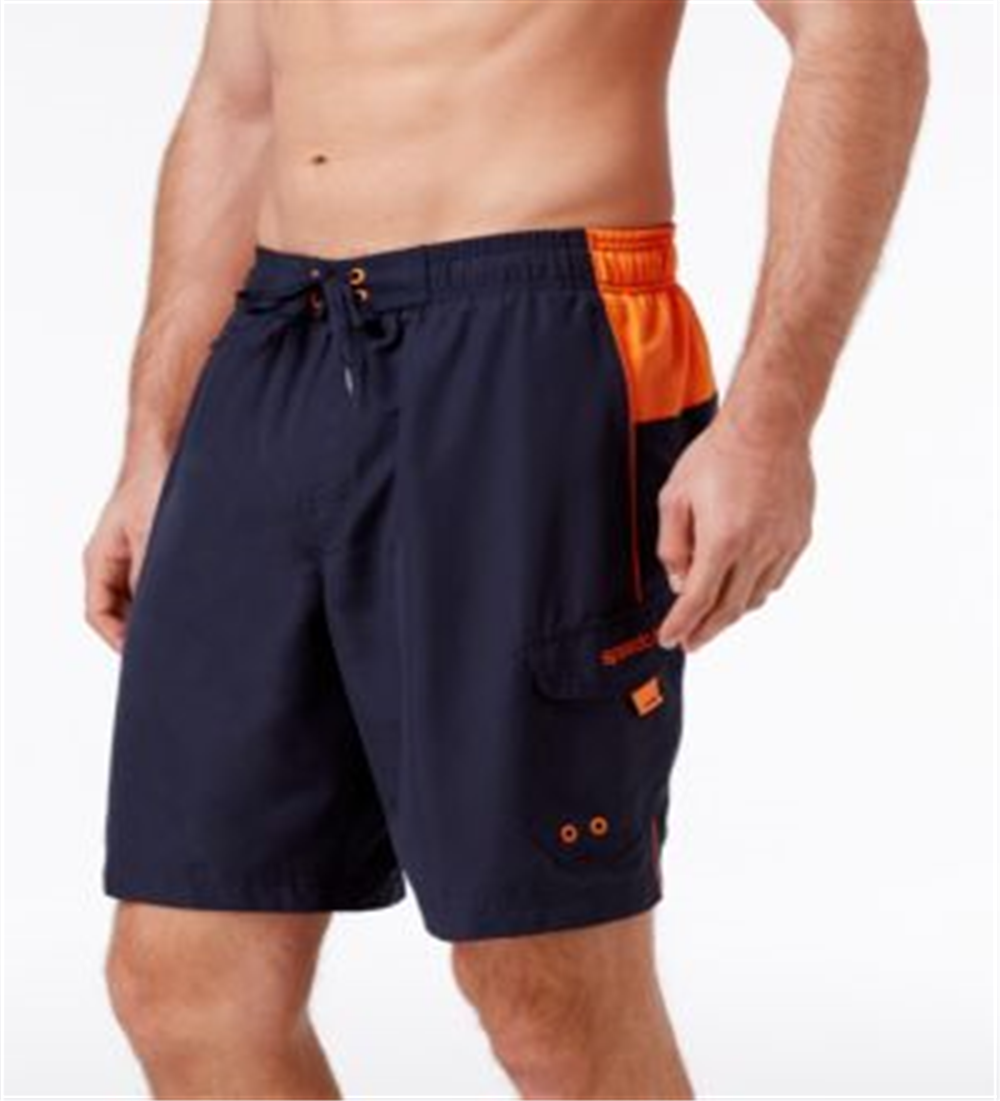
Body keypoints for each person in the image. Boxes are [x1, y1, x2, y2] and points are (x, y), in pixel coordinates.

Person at [83, 2, 928, 1097]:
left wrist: (772, 419)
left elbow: (862, 36)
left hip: (533, 331)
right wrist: (154, 441)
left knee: (541, 981)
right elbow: (237, 104)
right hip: (274, 342)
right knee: (184, 981)